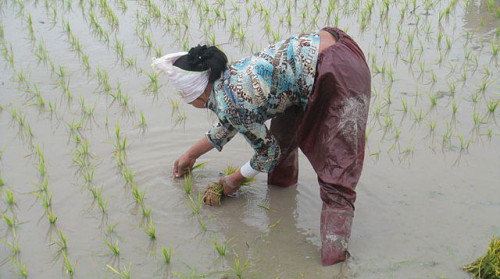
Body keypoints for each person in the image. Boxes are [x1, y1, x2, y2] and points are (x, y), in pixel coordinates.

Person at [152, 27, 371, 266]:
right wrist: (189, 156)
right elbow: (230, 123)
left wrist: (232, 180)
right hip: (319, 58)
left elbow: (267, 153)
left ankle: (334, 263)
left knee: (337, 171)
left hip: (338, 71)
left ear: (193, 93)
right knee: (283, 140)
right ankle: (282, 198)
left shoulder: (230, 102)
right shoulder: (227, 79)